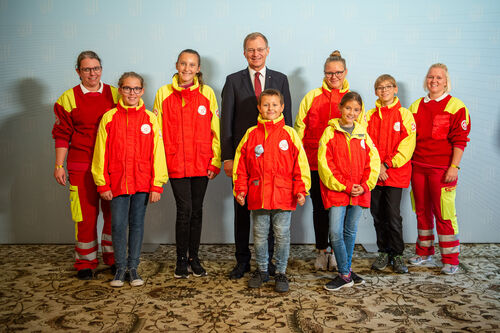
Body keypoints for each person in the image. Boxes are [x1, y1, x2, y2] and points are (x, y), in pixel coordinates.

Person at [221, 32, 293, 279]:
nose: (256, 53)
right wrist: (228, 157)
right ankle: (242, 261)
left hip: (275, 161)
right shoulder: (232, 81)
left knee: (271, 210)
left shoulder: (281, 79)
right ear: (244, 53)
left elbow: (289, 122)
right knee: (242, 211)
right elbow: (226, 123)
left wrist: (290, 160)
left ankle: (270, 264)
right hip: (245, 160)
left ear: (268, 50)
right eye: (251, 50)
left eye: (260, 49)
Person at [92, 72, 168, 287]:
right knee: (117, 225)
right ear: (120, 90)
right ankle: (120, 268)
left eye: (136, 89)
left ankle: (133, 268)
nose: (131, 93)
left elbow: (158, 153)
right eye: (127, 88)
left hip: (143, 183)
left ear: (142, 91)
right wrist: (102, 183)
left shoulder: (150, 119)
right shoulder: (109, 117)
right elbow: (101, 153)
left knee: (136, 225)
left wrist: (157, 184)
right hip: (117, 183)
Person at [233, 89, 310, 292]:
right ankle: (262, 270)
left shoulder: (290, 134)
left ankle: (281, 272)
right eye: (266, 105)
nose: (271, 108)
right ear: (259, 107)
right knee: (259, 235)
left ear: (282, 107)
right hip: (258, 196)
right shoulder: (251, 134)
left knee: (282, 234)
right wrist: (240, 189)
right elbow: (241, 166)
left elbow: (300, 165)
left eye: (275, 105)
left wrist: (301, 189)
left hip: (283, 196)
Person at [153, 49, 221, 278]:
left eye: (192, 65)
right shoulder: (163, 93)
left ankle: (195, 257)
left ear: (198, 69)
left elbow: (215, 130)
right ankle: (181, 259)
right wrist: (160, 165)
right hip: (175, 163)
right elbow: (157, 133)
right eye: (183, 64)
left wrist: (215, 160)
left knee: (197, 211)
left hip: (201, 163)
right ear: (176, 65)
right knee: (184, 211)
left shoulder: (208, 93)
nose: (187, 69)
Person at [294, 50, 364, 272]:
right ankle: (321, 250)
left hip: (343, 169)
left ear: (345, 72)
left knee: (339, 211)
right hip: (315, 164)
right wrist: (301, 162)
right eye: (329, 73)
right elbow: (299, 130)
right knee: (319, 209)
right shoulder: (311, 97)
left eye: (338, 72)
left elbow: (361, 132)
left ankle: (336, 252)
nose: (334, 77)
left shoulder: (352, 100)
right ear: (324, 73)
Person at [52, 51, 118, 280]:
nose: (93, 73)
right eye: (87, 69)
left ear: (101, 68)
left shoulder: (116, 94)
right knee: (85, 217)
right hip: (81, 166)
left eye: (96, 68)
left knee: (113, 216)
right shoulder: (67, 99)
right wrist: (59, 165)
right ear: (78, 72)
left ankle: (113, 259)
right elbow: (62, 135)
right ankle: (85, 263)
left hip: (111, 166)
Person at [407, 63, 471, 275]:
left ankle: (450, 259)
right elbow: (409, 139)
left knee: (444, 213)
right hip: (418, 167)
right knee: (422, 212)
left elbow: (460, 141)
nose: (434, 81)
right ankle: (424, 252)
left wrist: (454, 166)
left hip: (442, 169)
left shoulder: (456, 107)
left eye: (439, 78)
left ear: (446, 82)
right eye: (431, 77)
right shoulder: (415, 107)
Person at [318, 92, 380, 291]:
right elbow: (325, 165)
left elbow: (373, 162)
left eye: (356, 110)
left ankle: (345, 272)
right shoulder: (329, 133)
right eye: (348, 108)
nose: (351, 113)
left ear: (360, 112)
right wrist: (345, 185)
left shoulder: (363, 133)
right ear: (340, 108)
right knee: (335, 231)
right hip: (339, 191)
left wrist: (364, 185)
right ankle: (346, 272)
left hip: (360, 191)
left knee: (350, 231)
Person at [366, 74, 416, 274]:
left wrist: (387, 164)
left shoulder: (405, 115)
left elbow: (407, 145)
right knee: (377, 214)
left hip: (395, 174)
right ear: (375, 92)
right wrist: (377, 167)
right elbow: (365, 144)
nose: (384, 90)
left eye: (388, 86)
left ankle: (397, 254)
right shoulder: (368, 115)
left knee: (393, 215)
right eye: (379, 87)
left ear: (395, 89)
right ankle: (383, 252)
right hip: (375, 174)